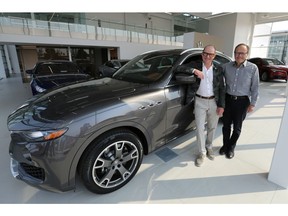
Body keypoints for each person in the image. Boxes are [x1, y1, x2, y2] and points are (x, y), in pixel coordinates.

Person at [176, 45, 226, 167]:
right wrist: (194, 71)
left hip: (214, 101)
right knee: (199, 128)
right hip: (199, 101)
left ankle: (209, 147)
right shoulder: (196, 64)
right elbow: (177, 68)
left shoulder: (218, 68)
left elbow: (221, 88)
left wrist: (221, 106)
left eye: (210, 54)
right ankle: (201, 153)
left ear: (214, 56)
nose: (207, 56)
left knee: (212, 127)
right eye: (205, 53)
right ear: (202, 54)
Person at [219, 43, 259, 159]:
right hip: (228, 100)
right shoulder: (226, 66)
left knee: (237, 128)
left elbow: (255, 87)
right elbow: (218, 82)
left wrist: (253, 103)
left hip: (242, 102)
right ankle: (225, 145)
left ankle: (231, 147)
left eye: (242, 53)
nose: (238, 55)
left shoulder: (253, 68)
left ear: (247, 54)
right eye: (237, 52)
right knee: (226, 126)